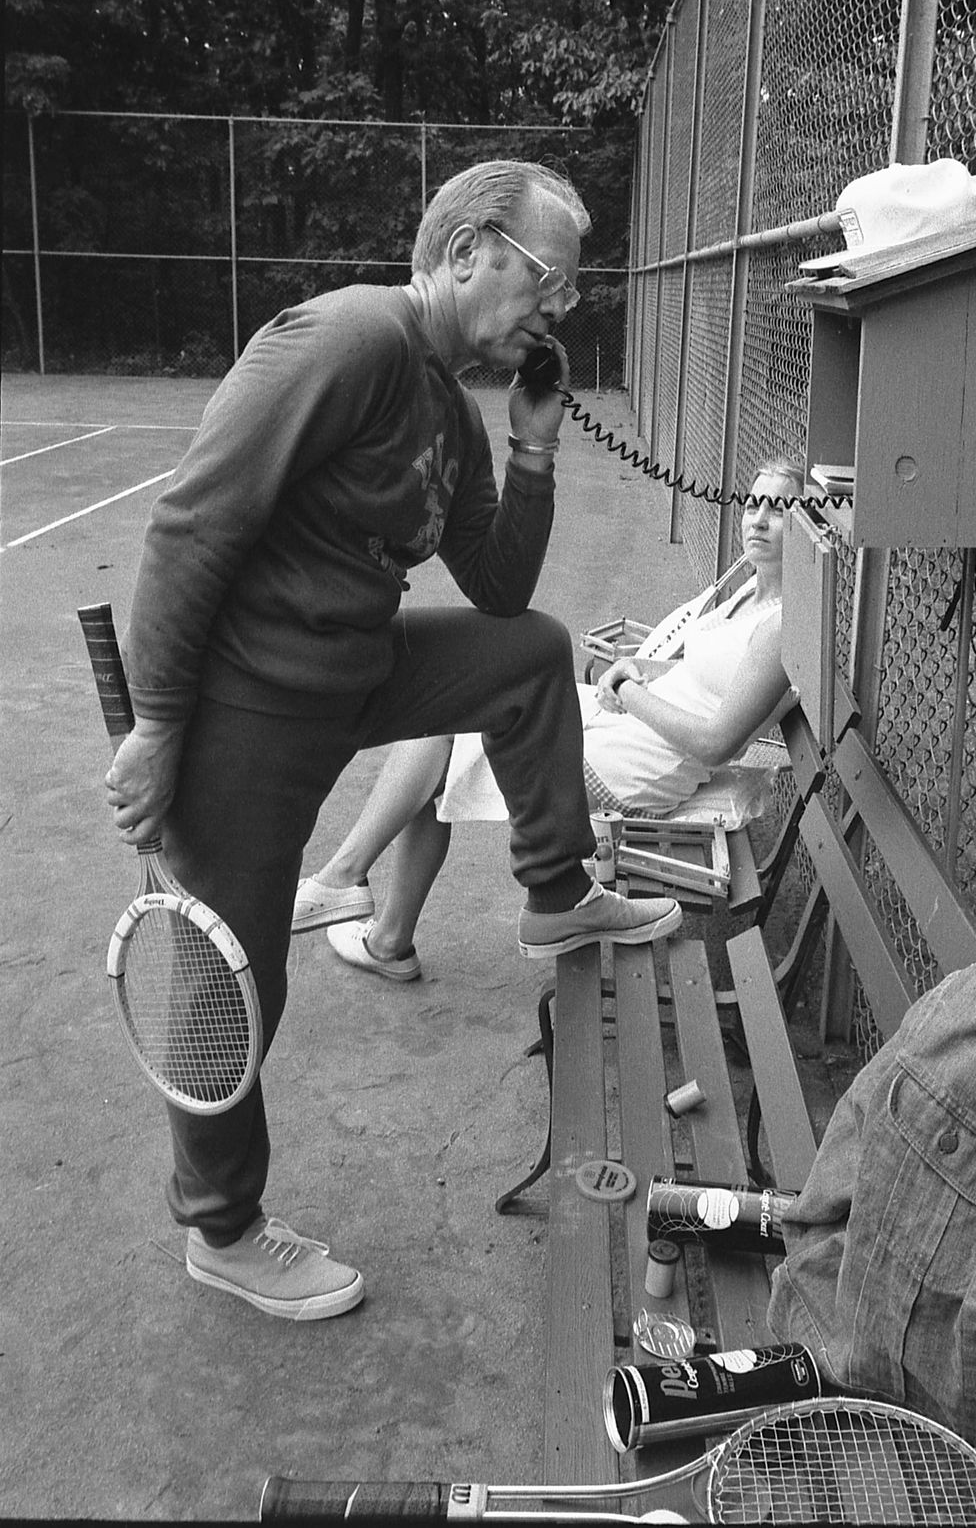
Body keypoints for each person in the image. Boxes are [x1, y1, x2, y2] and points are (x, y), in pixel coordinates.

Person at [101, 158, 683, 1324]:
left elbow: (505, 590)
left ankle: (557, 891)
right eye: (545, 280)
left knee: (528, 659)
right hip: (251, 707)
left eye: (565, 295)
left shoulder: (452, 413)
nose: (553, 311)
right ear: (467, 249)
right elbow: (193, 519)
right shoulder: (353, 340)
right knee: (231, 969)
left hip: (354, 669)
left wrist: (529, 449)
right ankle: (223, 1230)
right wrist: (161, 722)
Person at [295, 458, 806, 979]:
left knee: (448, 731)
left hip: (635, 767)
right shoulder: (748, 588)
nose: (759, 519)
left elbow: (717, 741)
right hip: (622, 724)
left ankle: (353, 892)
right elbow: (697, 670)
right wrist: (641, 668)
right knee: (450, 729)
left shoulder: (782, 626)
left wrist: (630, 693)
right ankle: (383, 932)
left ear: (809, 525)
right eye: (752, 504)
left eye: (780, 510)